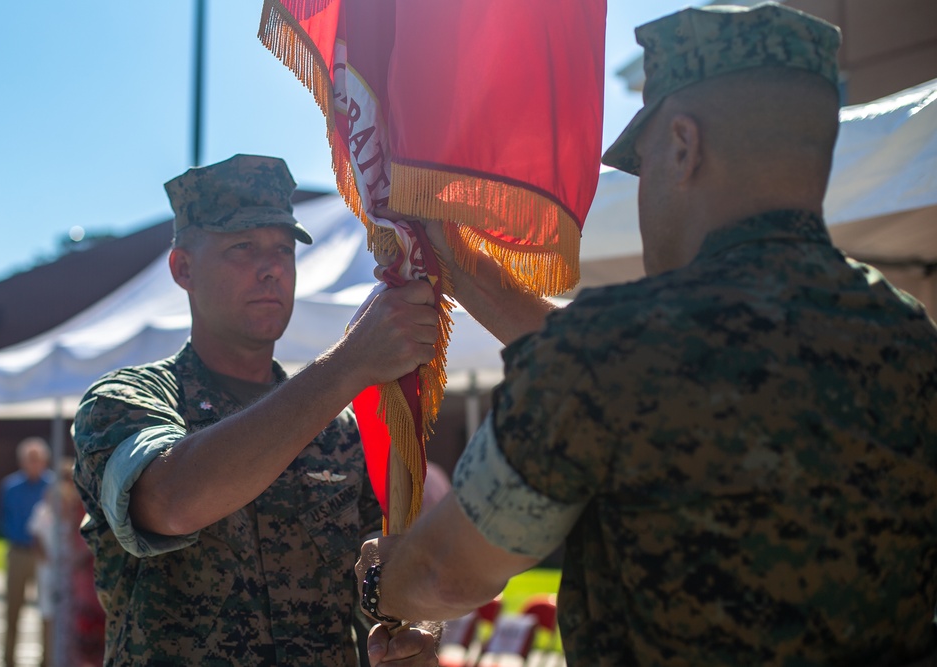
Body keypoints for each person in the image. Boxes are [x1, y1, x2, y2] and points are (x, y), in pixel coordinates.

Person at [354, 4, 937, 666]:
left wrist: (383, 581)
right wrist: (465, 271)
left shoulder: (610, 353)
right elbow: (642, 365)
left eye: (646, 160)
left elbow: (446, 576)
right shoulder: (909, 338)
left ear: (684, 146)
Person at [71, 154, 439, 666]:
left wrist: (409, 628)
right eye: (242, 247)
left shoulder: (339, 428)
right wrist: (349, 364)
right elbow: (172, 501)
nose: (270, 269)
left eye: (283, 250)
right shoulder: (126, 399)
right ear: (184, 268)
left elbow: (374, 573)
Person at [28, 457, 106, 667]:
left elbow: (85, 548)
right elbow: (38, 535)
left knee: (85, 638)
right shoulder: (56, 505)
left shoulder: (87, 505)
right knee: (63, 629)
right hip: (65, 580)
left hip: (84, 584)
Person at [0, 436, 54, 667]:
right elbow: (4, 518)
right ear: (22, 461)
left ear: (44, 461)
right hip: (19, 552)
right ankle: (8, 660)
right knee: (13, 609)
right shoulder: (10, 487)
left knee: (47, 610)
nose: (33, 463)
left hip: (45, 556)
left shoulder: (52, 486)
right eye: (29, 459)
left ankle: (47, 660)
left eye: (37, 459)